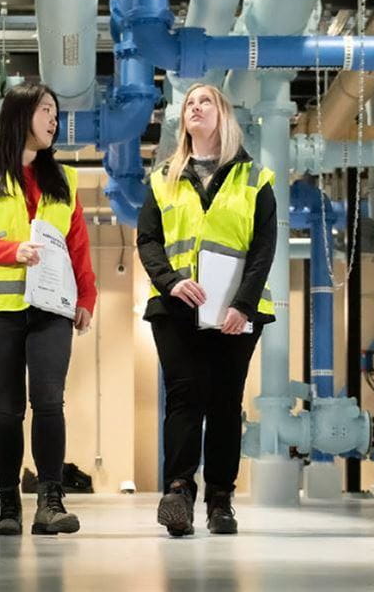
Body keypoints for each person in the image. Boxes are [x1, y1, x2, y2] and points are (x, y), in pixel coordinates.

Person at [0, 83, 96, 537]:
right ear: (19, 115)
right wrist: (13, 251)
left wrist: (87, 298)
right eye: (46, 111)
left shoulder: (64, 180)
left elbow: (78, 247)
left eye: (55, 112)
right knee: (9, 407)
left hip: (52, 307)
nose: (54, 120)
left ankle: (50, 502)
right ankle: (9, 504)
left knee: (50, 401)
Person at [137, 83, 277, 537]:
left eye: (206, 102)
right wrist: (171, 282)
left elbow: (263, 247)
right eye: (189, 103)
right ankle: (178, 490)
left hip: (235, 313)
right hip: (176, 307)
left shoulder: (255, 179)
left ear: (223, 116)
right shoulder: (163, 178)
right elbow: (148, 240)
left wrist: (243, 306)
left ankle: (220, 499)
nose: (196, 108)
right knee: (182, 397)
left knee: (223, 402)